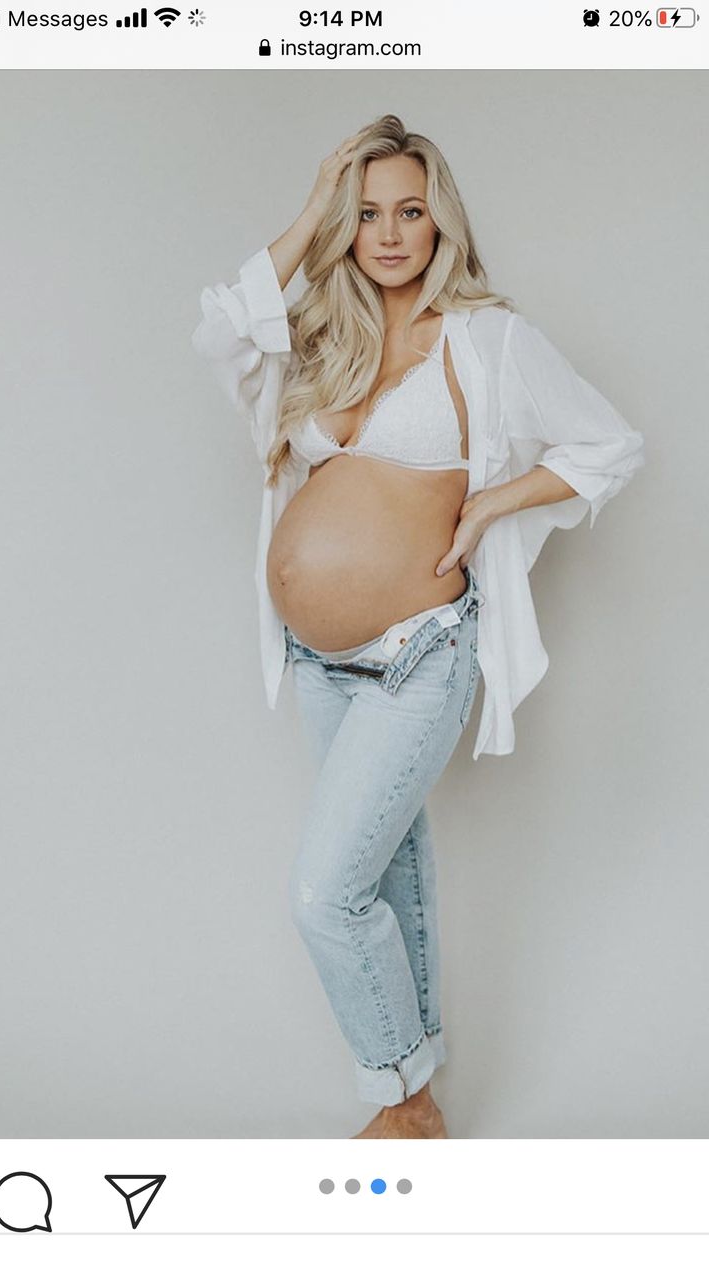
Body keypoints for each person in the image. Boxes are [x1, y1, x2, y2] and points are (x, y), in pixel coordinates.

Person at [191, 113, 645, 1138]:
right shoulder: (320, 334)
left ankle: (402, 1101)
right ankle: (422, 1101)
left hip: (417, 659)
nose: (388, 234)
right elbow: (223, 330)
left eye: (408, 210)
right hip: (320, 662)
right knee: (385, 877)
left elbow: (610, 445)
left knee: (324, 893)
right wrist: (312, 208)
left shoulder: (488, 340)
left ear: (440, 219)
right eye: (364, 215)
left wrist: (491, 503)